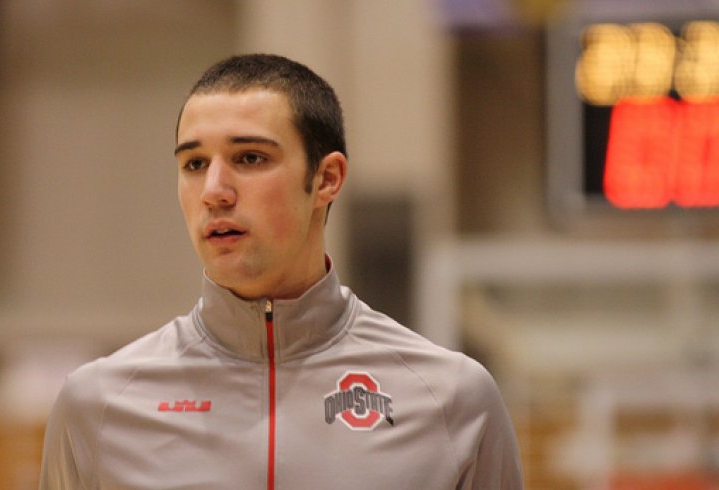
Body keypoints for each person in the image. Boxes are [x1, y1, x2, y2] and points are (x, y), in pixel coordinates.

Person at [39, 53, 524, 489]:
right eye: (193, 163)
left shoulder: (452, 400)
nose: (214, 190)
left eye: (250, 158)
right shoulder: (98, 407)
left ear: (326, 178)